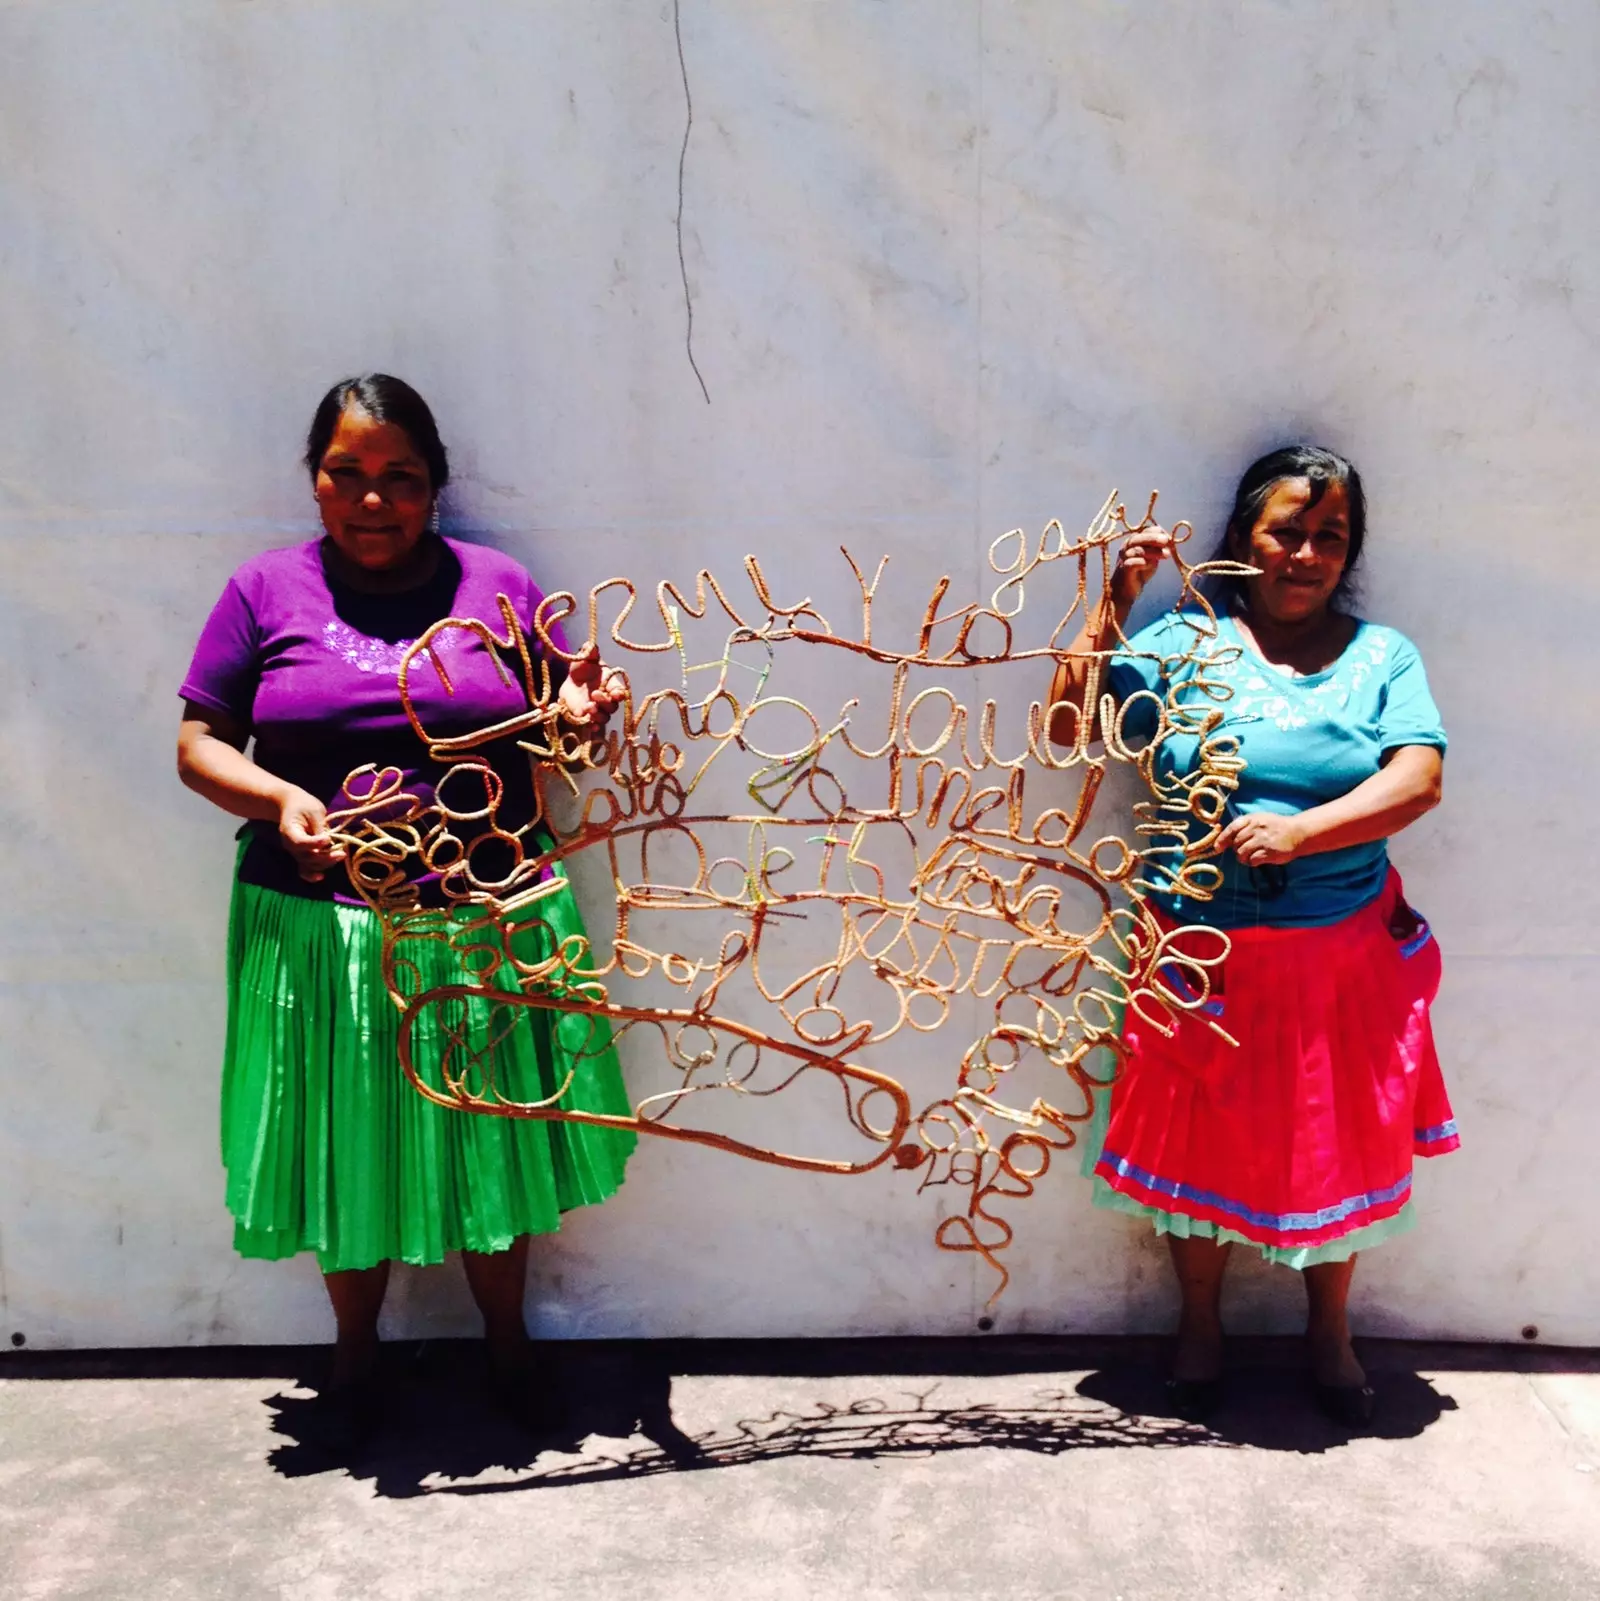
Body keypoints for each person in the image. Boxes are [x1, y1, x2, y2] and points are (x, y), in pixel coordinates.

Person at [177, 373, 636, 1444]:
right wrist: (284, 799)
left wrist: (583, 709)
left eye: (401, 478)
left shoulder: (498, 583)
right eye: (347, 474)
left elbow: (565, 727)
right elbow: (198, 745)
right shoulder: (263, 591)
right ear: (315, 477)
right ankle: (353, 1354)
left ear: (435, 486)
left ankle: (508, 1343)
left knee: (491, 1129)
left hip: (485, 908)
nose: (372, 500)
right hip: (322, 919)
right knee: (345, 1137)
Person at [1046, 445, 1455, 1427]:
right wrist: (1116, 594)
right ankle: (1199, 1322)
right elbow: (1067, 726)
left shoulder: (1381, 656)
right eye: (1285, 530)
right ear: (1242, 536)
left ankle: (1328, 1329)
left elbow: (1418, 778)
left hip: (1338, 951)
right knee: (1198, 1131)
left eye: (1329, 536)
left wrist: (1302, 831)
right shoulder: (1179, 641)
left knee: (1340, 1136)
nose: (1305, 553)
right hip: (1196, 948)